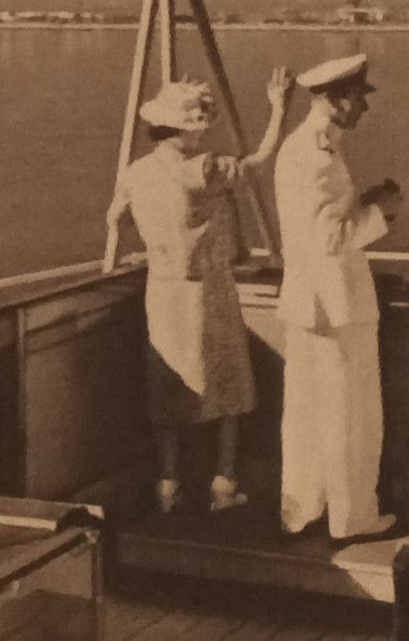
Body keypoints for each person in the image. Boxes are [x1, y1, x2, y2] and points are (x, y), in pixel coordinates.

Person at [105, 68, 293, 513]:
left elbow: (116, 220)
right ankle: (223, 482)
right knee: (228, 385)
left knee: (168, 386)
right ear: (185, 130)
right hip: (209, 290)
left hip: (162, 289)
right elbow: (259, 162)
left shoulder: (136, 172)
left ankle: (168, 484)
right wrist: (279, 110)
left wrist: (153, 245)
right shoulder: (204, 170)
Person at [274, 53, 404, 540]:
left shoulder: (300, 147)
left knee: (305, 414)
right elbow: (330, 238)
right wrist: (383, 213)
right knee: (350, 414)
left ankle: (302, 510)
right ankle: (353, 518)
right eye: (358, 99)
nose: (364, 108)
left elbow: (317, 223)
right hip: (337, 306)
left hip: (306, 304)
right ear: (334, 100)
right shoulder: (320, 157)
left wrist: (363, 199)